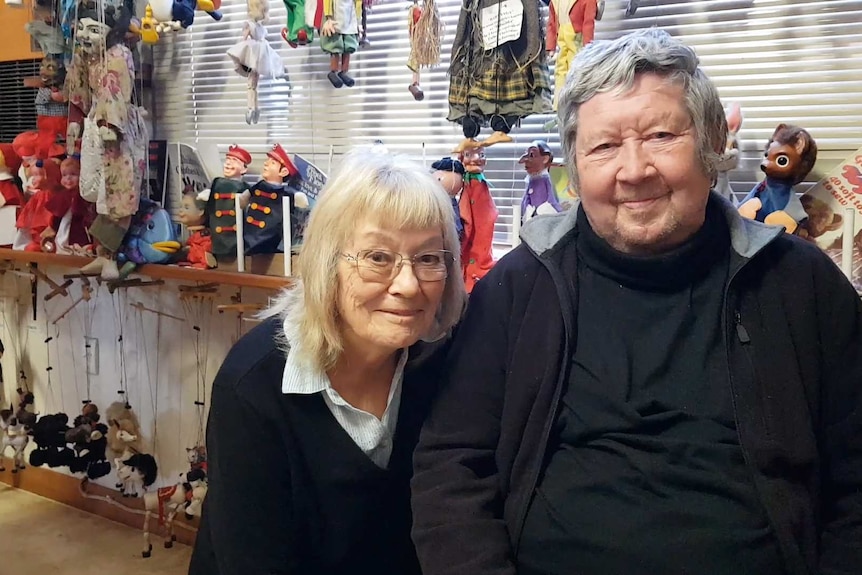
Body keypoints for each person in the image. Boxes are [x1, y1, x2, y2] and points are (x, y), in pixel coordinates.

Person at [411, 28, 862, 575]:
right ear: (574, 171)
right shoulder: (521, 284)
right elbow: (451, 466)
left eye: (660, 136)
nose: (633, 170)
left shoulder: (798, 283)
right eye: (603, 146)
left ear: (710, 145)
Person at [188, 150, 467, 575]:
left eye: (429, 258)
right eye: (378, 258)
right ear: (327, 263)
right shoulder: (253, 387)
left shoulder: (441, 364)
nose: (409, 285)